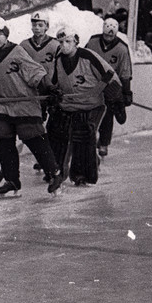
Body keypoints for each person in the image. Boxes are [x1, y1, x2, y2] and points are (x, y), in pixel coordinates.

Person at [0, 17, 65, 197]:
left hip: (25, 104)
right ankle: (12, 181)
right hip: (4, 105)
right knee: (1, 137)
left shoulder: (18, 51)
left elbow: (37, 72)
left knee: (33, 138)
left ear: (6, 34)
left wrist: (49, 88)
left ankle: (54, 173)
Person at [50, 26, 124, 185]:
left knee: (83, 133)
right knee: (61, 135)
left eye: (68, 41)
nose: (64, 45)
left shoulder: (88, 56)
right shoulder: (58, 60)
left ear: (76, 42)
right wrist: (54, 94)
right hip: (70, 106)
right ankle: (59, 170)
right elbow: (55, 83)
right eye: (61, 42)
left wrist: (116, 96)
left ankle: (82, 175)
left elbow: (109, 73)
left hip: (92, 105)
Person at [19, 11, 62, 175]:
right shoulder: (24, 45)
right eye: (34, 24)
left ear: (47, 27)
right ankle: (42, 158)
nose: (37, 28)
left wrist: (57, 86)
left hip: (50, 90)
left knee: (53, 126)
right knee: (36, 124)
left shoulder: (55, 45)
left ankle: (52, 158)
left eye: (40, 25)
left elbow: (60, 68)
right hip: (32, 91)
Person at [85, 18, 133, 157]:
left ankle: (104, 142)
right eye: (106, 35)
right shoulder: (93, 42)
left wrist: (126, 92)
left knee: (107, 114)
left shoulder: (122, 48)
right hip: (92, 85)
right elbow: (83, 59)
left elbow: (125, 71)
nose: (108, 37)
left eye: (111, 35)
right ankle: (90, 140)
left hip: (110, 87)